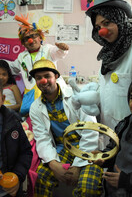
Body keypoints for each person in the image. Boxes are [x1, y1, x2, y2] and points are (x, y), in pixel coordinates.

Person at [29, 59, 103, 197]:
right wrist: (53, 163)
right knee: (41, 177)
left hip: (87, 148)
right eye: (38, 78)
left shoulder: (76, 96)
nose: (43, 81)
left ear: (56, 77)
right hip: (63, 148)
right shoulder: (35, 107)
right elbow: (42, 138)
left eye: (47, 76)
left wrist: (77, 165)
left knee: (88, 188)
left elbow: (90, 130)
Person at [85, 0, 132, 145]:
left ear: (120, 19)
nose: (102, 31)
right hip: (110, 136)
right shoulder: (108, 55)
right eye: (98, 28)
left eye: (107, 23)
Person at [7, 14, 69, 115]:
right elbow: (11, 68)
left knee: (52, 114)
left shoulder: (48, 49)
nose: (30, 40)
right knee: (28, 115)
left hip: (50, 89)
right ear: (23, 43)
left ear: (40, 37)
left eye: (33, 36)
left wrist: (62, 49)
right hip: (31, 93)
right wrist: (0, 66)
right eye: (26, 39)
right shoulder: (21, 56)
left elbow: (58, 53)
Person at [92, 76, 132, 196]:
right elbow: (114, 149)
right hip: (112, 190)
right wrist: (103, 158)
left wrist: (126, 181)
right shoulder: (124, 124)